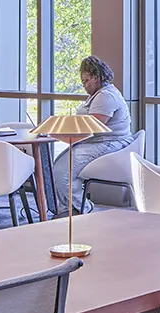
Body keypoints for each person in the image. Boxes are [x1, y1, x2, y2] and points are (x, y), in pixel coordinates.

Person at [51, 56, 134, 216]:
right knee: (59, 165)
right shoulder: (99, 93)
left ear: (96, 77)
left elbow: (93, 127)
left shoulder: (105, 96)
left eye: (86, 80)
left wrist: (62, 132)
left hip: (109, 143)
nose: (84, 85)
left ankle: (82, 209)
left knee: (62, 169)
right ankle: (69, 209)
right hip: (100, 142)